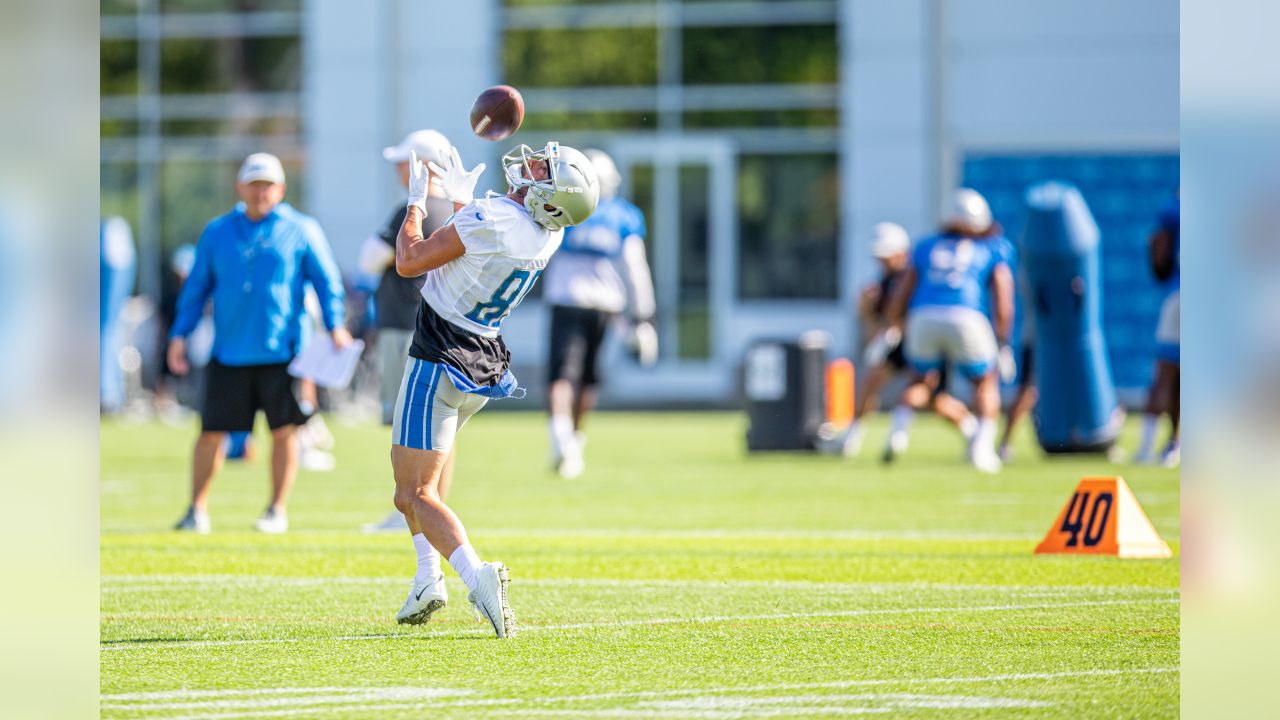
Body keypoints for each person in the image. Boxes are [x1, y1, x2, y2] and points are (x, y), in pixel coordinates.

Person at [388, 141, 598, 638]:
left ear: (550, 200)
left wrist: (417, 203)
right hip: (479, 363)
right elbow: (478, 250)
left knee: (416, 493)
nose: (529, 168)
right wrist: (464, 205)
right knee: (413, 491)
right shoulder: (548, 237)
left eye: (542, 171)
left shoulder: (494, 217)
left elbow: (410, 260)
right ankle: (426, 579)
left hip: (438, 354)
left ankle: (474, 575)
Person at [167, 153, 350, 534]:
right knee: (211, 432)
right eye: (253, 184)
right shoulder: (217, 231)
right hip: (229, 350)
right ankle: (196, 509)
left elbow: (327, 281)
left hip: (283, 351)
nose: (260, 191)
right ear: (240, 187)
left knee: (284, 431)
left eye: (267, 184)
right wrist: (179, 334)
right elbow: (197, 287)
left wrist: (335, 325)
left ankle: (276, 509)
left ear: (281, 188)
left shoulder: (301, 229)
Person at [360, 130, 456, 533]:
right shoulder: (456, 209)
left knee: (409, 427)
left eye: (406, 161)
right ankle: (433, 506)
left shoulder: (411, 210)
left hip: (407, 327)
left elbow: (369, 260)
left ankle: (414, 509)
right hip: (446, 329)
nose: (400, 169)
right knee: (441, 426)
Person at [879, 188, 1015, 473]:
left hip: (923, 315)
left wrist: (892, 323)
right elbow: (1003, 296)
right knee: (984, 381)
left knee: (920, 380)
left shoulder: (927, 245)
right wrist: (1003, 340)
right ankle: (981, 449)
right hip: (966, 314)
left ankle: (898, 432)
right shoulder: (992, 248)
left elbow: (904, 288)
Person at [542, 149, 657, 478]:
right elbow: (636, 270)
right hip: (605, 306)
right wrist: (644, 316)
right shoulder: (624, 216)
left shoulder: (562, 208)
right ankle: (573, 442)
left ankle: (562, 441)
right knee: (588, 379)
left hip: (566, 300)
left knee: (562, 376)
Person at [824, 222, 979, 457]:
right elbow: (877, 324)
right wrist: (867, 309)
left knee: (931, 400)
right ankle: (851, 438)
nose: (882, 261)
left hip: (922, 343)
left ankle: (974, 433)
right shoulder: (883, 283)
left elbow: (914, 312)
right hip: (899, 346)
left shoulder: (914, 276)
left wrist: (893, 328)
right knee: (871, 382)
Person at [1133, 194, 1180, 467]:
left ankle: (1147, 447)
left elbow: (1160, 247)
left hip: (1182, 295)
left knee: (1165, 373)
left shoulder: (1175, 208)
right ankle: (1173, 444)